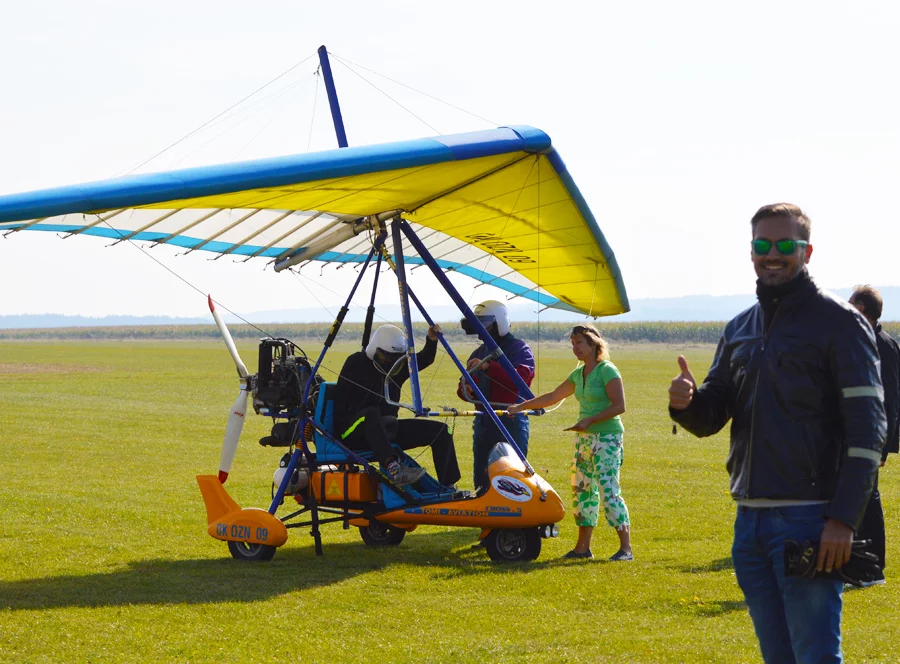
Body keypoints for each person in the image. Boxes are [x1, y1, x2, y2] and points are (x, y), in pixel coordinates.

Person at [668, 203, 886, 663]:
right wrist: (686, 404)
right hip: (749, 522)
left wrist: (843, 519)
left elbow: (869, 429)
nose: (773, 254)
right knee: (777, 657)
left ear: (807, 251)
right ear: (750, 252)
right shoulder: (739, 328)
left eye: (786, 245)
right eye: (762, 245)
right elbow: (713, 414)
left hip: (810, 519)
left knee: (816, 657)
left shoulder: (841, 323)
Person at [508, 324, 630, 561]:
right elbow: (553, 396)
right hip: (584, 438)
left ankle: (626, 549)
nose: (575, 348)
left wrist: (591, 420)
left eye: (579, 343)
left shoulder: (607, 370)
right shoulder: (578, 374)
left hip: (607, 437)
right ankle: (582, 549)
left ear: (594, 344)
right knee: (582, 489)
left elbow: (619, 406)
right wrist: (522, 406)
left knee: (609, 491)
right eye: (572, 344)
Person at [334, 323, 461, 488]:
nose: (390, 363)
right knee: (371, 414)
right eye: (386, 357)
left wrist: (431, 340)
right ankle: (394, 470)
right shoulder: (356, 363)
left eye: (396, 359)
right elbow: (341, 403)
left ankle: (448, 488)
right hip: (351, 433)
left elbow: (423, 359)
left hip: (384, 431)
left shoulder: (396, 368)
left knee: (440, 432)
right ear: (375, 350)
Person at [849, 284, 900, 586]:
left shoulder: (884, 345)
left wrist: (883, 446)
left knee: (869, 500)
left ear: (862, 310)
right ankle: (856, 567)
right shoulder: (857, 340)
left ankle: (874, 571)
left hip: (870, 438)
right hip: (851, 437)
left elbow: (892, 400)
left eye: (850, 305)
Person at [457, 300, 534, 492]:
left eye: (485, 325)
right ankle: (487, 520)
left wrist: (489, 367)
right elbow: (463, 388)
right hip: (484, 420)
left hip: (510, 419)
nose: (482, 330)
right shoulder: (478, 352)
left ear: (499, 323)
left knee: (512, 475)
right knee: (482, 476)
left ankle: (513, 520)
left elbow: (523, 378)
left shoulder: (518, 348)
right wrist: (467, 388)